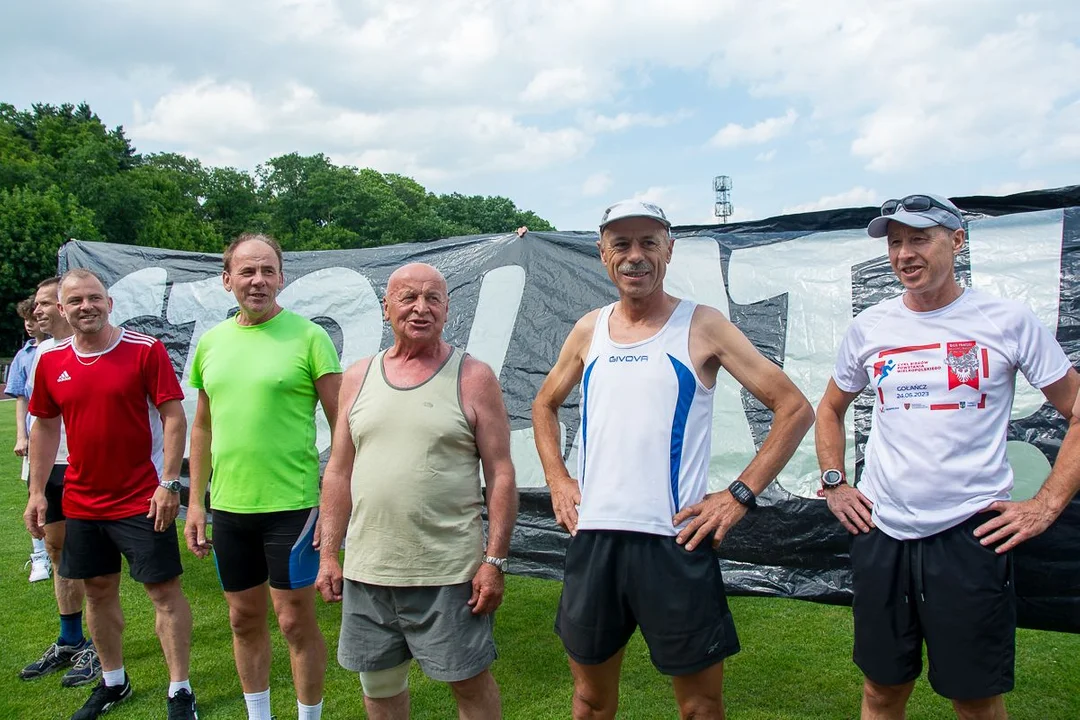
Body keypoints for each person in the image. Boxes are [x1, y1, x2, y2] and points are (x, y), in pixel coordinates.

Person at [532, 200, 815, 719]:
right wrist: (557, 478)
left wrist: (738, 496)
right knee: (591, 701)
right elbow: (544, 403)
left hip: (675, 542)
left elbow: (794, 408)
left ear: (669, 249)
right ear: (603, 253)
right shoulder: (588, 329)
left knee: (700, 707)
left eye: (648, 243)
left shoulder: (702, 325)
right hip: (594, 541)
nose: (635, 256)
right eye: (621, 244)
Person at [815, 193, 1080, 720]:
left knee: (975, 699)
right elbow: (829, 407)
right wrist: (835, 482)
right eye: (894, 243)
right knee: (881, 691)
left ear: (957, 241)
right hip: (882, 532)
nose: (904, 254)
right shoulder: (871, 326)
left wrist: (1047, 504)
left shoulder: (1007, 320)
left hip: (970, 535)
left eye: (919, 238)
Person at [316, 262, 518, 720]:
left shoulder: (474, 376)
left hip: (450, 573)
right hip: (368, 570)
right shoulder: (357, 376)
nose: (420, 308)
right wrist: (330, 553)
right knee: (380, 685)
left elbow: (501, 472)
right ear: (386, 307)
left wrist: (494, 561)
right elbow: (339, 472)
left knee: (469, 683)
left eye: (433, 298)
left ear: (447, 309)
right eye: (408, 297)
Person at [24, 268, 198, 720]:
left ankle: (180, 690)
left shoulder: (145, 350)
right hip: (83, 501)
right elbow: (44, 425)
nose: (87, 307)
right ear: (62, 310)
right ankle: (113, 681)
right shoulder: (51, 360)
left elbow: (174, 417)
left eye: (95, 298)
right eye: (76, 301)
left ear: (109, 302)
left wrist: (168, 482)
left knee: (164, 593)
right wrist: (37, 492)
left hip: (142, 499)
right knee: (98, 591)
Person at [184, 233, 341, 720]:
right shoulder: (211, 343)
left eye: (268, 270)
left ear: (282, 277)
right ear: (227, 279)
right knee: (242, 618)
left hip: (292, 506)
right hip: (229, 508)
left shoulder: (309, 337)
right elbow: (203, 426)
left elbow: (345, 429)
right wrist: (195, 503)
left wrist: (336, 506)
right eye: (247, 272)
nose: (258, 281)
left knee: (294, 622)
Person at [19, 277, 101, 688]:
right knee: (56, 550)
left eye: (46, 303)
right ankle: (70, 638)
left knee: (91, 559)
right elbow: (42, 422)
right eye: (38, 305)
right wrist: (34, 486)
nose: (38, 311)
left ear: (65, 309)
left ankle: (99, 648)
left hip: (88, 470)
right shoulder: (42, 356)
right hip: (51, 468)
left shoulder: (103, 348)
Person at [7, 297, 49, 582]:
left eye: (33, 318)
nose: (29, 325)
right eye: (26, 320)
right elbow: (21, 397)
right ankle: (40, 556)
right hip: (40, 436)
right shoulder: (24, 356)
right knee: (35, 494)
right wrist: (22, 435)